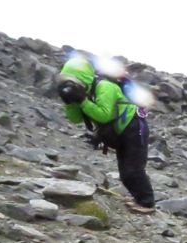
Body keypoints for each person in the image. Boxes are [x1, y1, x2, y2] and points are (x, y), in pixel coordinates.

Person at [56, 56, 155, 213]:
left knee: (133, 169)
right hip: (121, 132)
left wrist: (82, 100)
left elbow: (104, 115)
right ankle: (139, 198)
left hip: (134, 128)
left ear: (82, 78)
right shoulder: (87, 93)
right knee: (125, 172)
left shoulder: (105, 86)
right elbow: (75, 119)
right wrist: (70, 102)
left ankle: (147, 203)